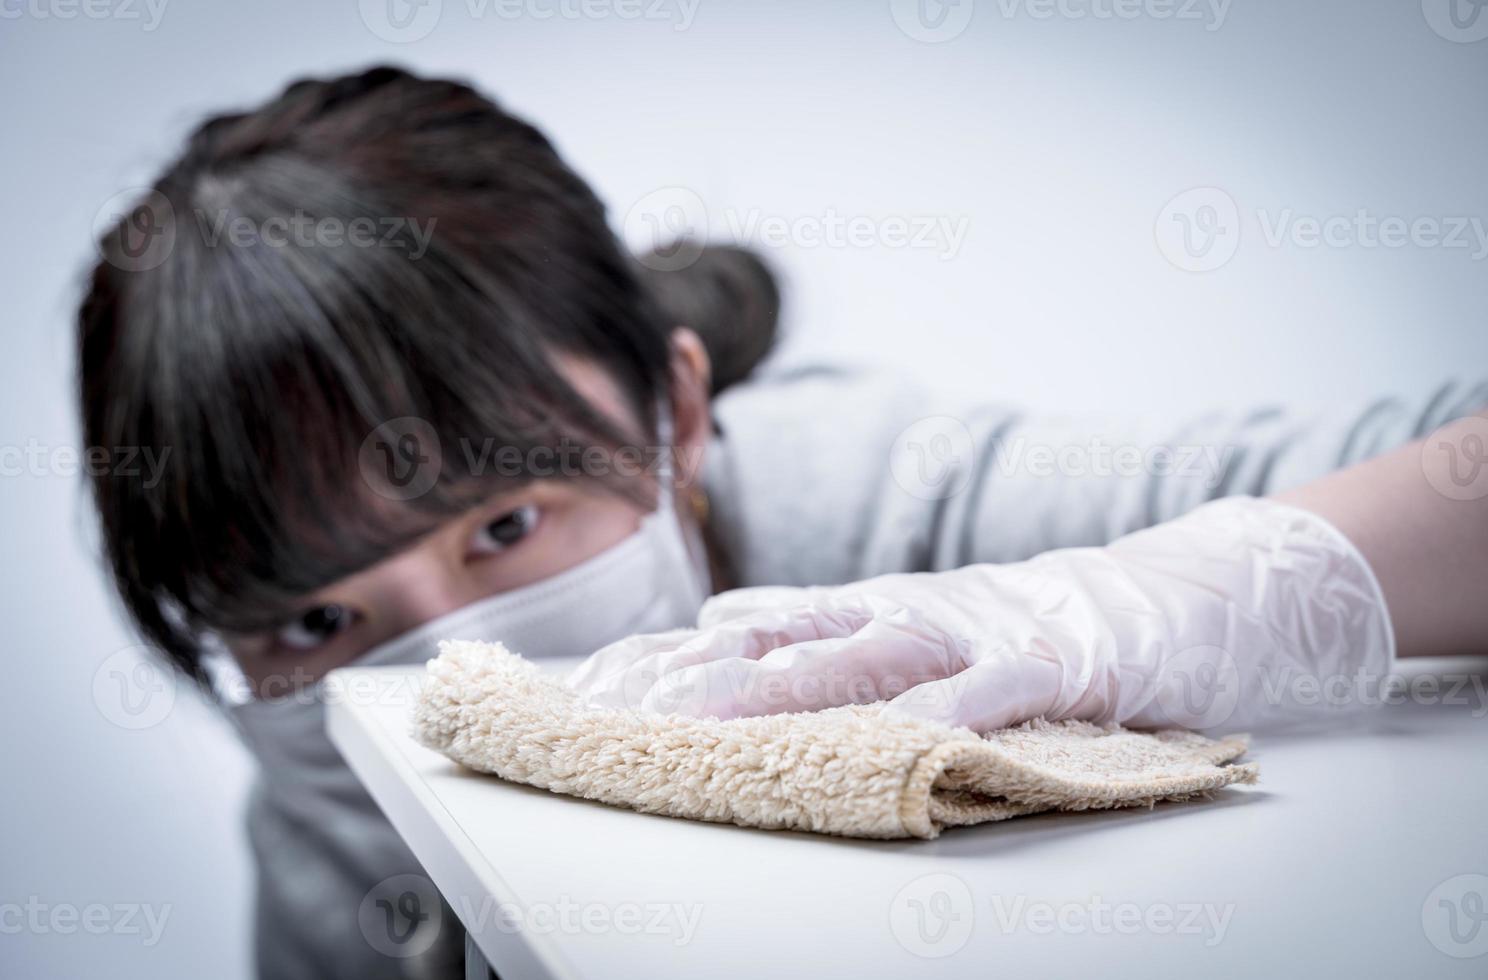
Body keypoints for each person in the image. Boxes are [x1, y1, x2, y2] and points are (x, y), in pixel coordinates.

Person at [78, 65, 1488, 980]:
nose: (449, 660)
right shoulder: (316, 806)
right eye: (322, 619)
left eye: (506, 525)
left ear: (679, 415)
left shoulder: (905, 510)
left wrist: (1144, 607)